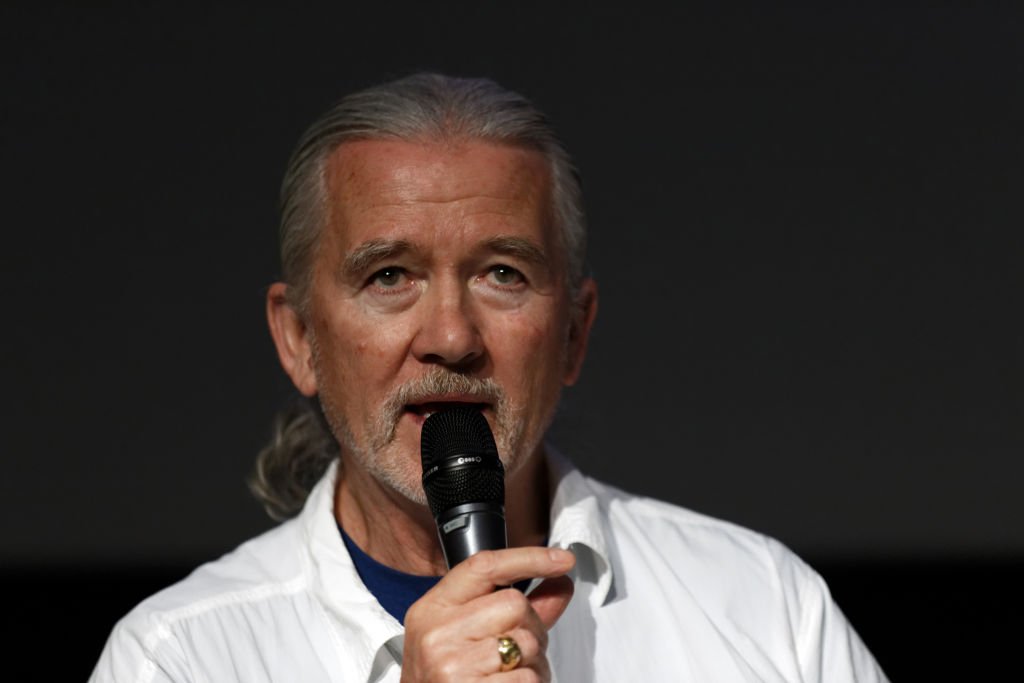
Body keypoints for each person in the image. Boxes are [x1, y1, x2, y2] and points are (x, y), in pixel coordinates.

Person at [90, 72, 888, 682]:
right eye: (390, 276)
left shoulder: (767, 609)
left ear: (574, 333)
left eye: (502, 272)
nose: (450, 337)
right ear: (299, 338)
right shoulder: (180, 657)